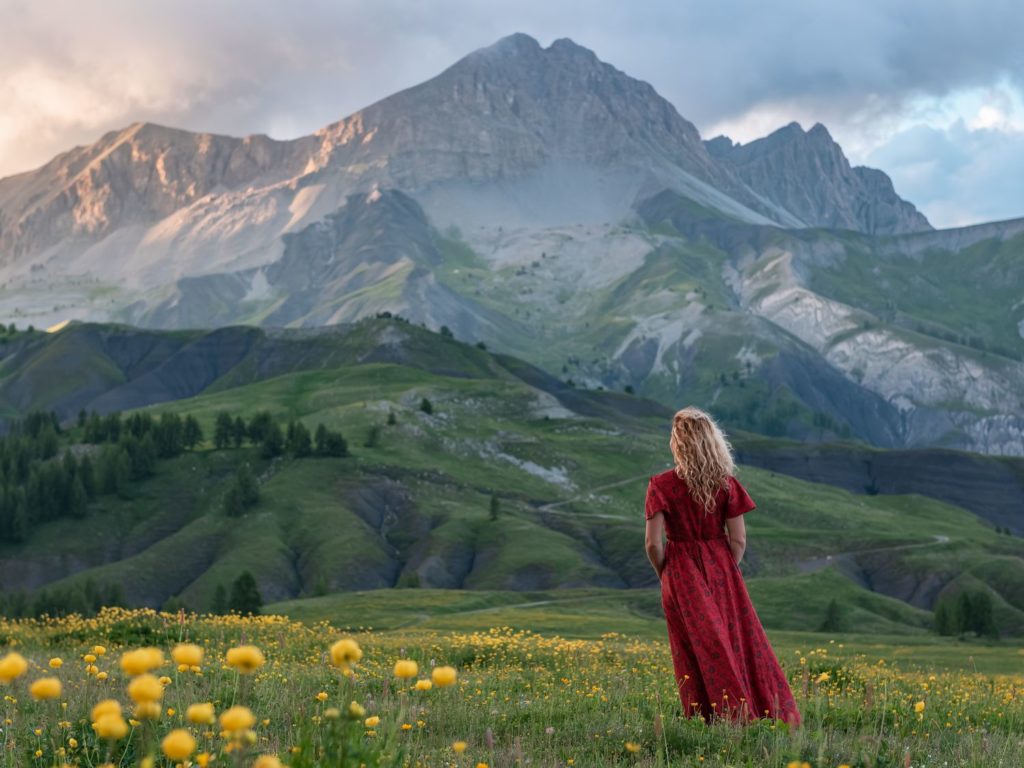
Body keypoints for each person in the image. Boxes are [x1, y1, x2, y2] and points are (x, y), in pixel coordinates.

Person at [644, 406, 801, 727]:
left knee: (693, 645)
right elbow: (738, 540)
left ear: (678, 443)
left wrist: (666, 573)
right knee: (739, 640)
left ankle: (709, 718)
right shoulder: (726, 483)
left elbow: (653, 544)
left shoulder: (661, 485)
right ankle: (759, 709)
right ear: (712, 441)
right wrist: (724, 568)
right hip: (722, 567)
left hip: (680, 572)